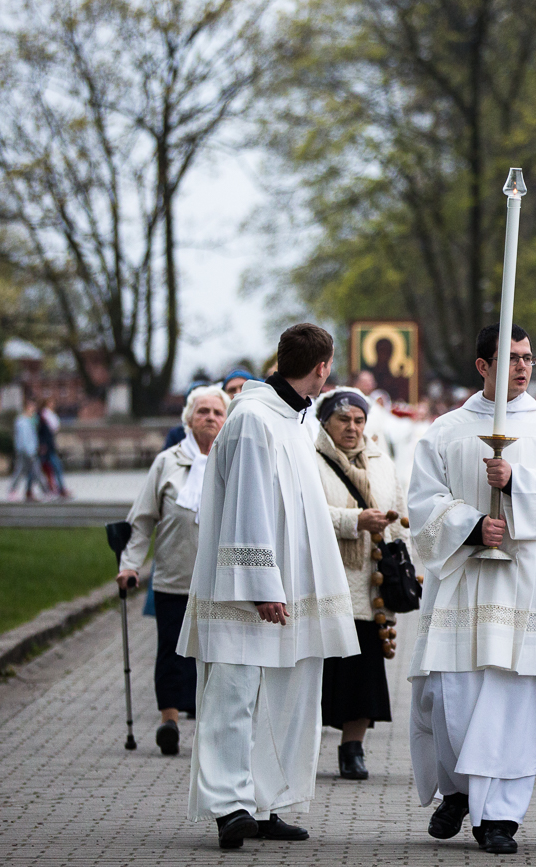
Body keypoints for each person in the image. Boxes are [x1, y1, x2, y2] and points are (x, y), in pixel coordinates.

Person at [407, 324, 536, 856]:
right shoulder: (445, 430)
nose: (523, 367)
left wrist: (516, 484)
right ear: (482, 365)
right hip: (463, 586)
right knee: (451, 701)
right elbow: (423, 501)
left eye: (529, 358)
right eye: (510, 358)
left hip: (525, 587)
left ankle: (500, 818)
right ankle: (463, 789)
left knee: (514, 703)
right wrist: (469, 526)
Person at [177, 324, 359, 850]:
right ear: (322, 367)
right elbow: (249, 508)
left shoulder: (291, 420)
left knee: (285, 697)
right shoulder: (255, 419)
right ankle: (229, 805)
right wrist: (263, 586)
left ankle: (264, 802)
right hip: (252, 592)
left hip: (290, 593)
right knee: (232, 696)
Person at [116, 385, 230, 755]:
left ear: (226, 420)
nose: (210, 418)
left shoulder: (233, 460)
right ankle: (169, 721)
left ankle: (213, 729)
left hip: (220, 583)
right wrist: (130, 565)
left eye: (217, 412)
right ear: (189, 418)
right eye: (203, 411)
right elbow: (143, 519)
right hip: (173, 578)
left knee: (215, 655)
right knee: (171, 653)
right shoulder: (167, 461)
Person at [313, 387, 411, 780]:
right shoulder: (309, 460)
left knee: (364, 671)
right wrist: (353, 521)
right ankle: (301, 746)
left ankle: (352, 749)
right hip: (326, 580)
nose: (352, 427)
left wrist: (397, 546)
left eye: (359, 420)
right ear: (325, 422)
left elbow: (401, 511)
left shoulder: (380, 462)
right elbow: (305, 512)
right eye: (343, 419)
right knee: (321, 669)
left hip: (371, 585)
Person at [8, 399, 46, 501]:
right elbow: (25, 439)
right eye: (32, 409)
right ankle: (46, 492)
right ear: (27, 408)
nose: (34, 411)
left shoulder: (27, 421)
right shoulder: (23, 422)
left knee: (25, 472)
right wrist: (31, 451)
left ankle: (14, 491)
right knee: (34, 472)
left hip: (28, 451)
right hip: (28, 452)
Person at [37, 398, 68, 498]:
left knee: (47, 469)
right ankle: (58, 489)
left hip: (49, 446)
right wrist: (42, 445)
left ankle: (55, 489)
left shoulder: (49, 416)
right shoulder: (43, 417)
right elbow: (40, 433)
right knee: (51, 468)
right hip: (45, 448)